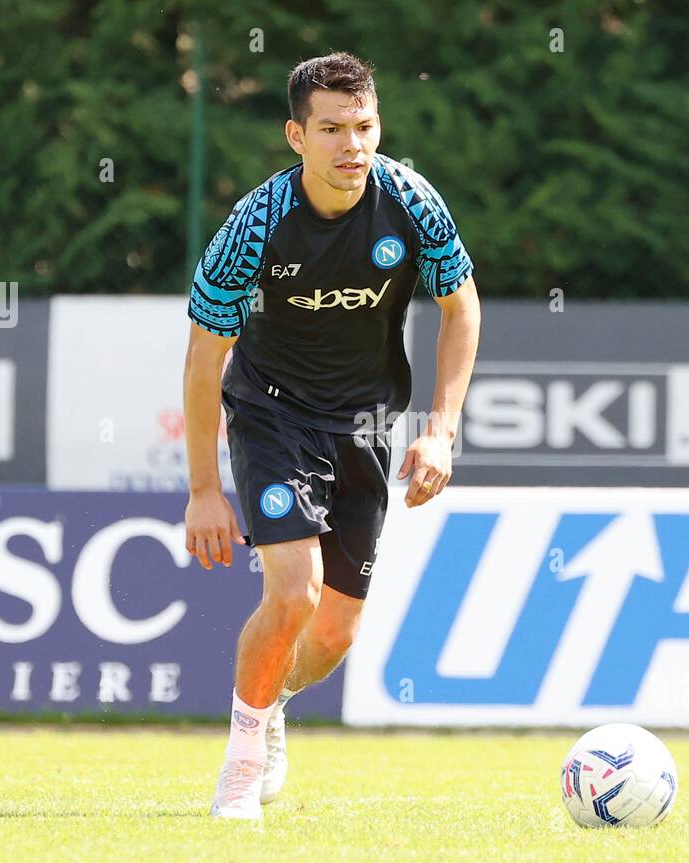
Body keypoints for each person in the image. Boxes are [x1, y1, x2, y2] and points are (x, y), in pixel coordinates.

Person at [182, 51, 482, 819]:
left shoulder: (412, 203)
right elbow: (205, 354)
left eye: (365, 126)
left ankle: (271, 703)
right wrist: (204, 489)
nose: (353, 145)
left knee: (334, 635)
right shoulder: (254, 225)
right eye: (332, 129)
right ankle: (242, 762)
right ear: (295, 136)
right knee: (294, 593)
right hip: (273, 414)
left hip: (366, 426)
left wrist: (442, 429)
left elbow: (462, 309)